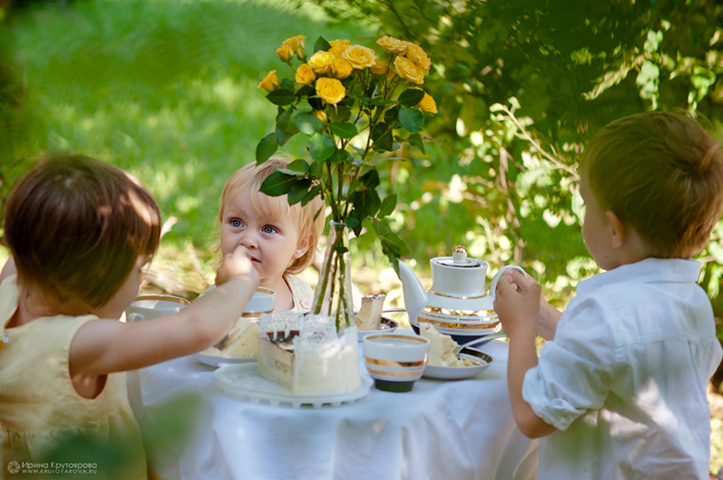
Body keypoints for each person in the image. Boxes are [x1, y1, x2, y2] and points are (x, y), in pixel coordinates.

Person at [493, 112, 723, 479]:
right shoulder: (692, 303)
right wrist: (541, 316)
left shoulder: (603, 312)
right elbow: (619, 357)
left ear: (614, 229)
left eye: (586, 203)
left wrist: (520, 329)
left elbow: (531, 416)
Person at [0, 154, 259, 479]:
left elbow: (32, 246)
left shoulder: (12, 285)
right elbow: (199, 328)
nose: (141, 278)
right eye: (138, 269)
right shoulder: (79, 345)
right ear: (93, 278)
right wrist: (240, 282)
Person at [215, 156, 326, 312]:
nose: (247, 240)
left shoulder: (301, 295)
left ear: (301, 244)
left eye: (268, 229)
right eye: (236, 222)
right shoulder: (213, 302)